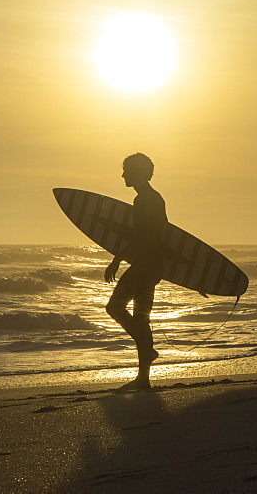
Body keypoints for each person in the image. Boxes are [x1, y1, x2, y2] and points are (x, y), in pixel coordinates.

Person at [104, 153, 167, 390]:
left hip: (144, 265)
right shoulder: (154, 198)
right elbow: (162, 235)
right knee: (141, 318)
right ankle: (144, 376)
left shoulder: (145, 200)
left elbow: (142, 236)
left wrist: (117, 260)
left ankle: (146, 352)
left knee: (115, 308)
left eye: (127, 171)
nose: (123, 175)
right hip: (150, 265)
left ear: (138, 173)